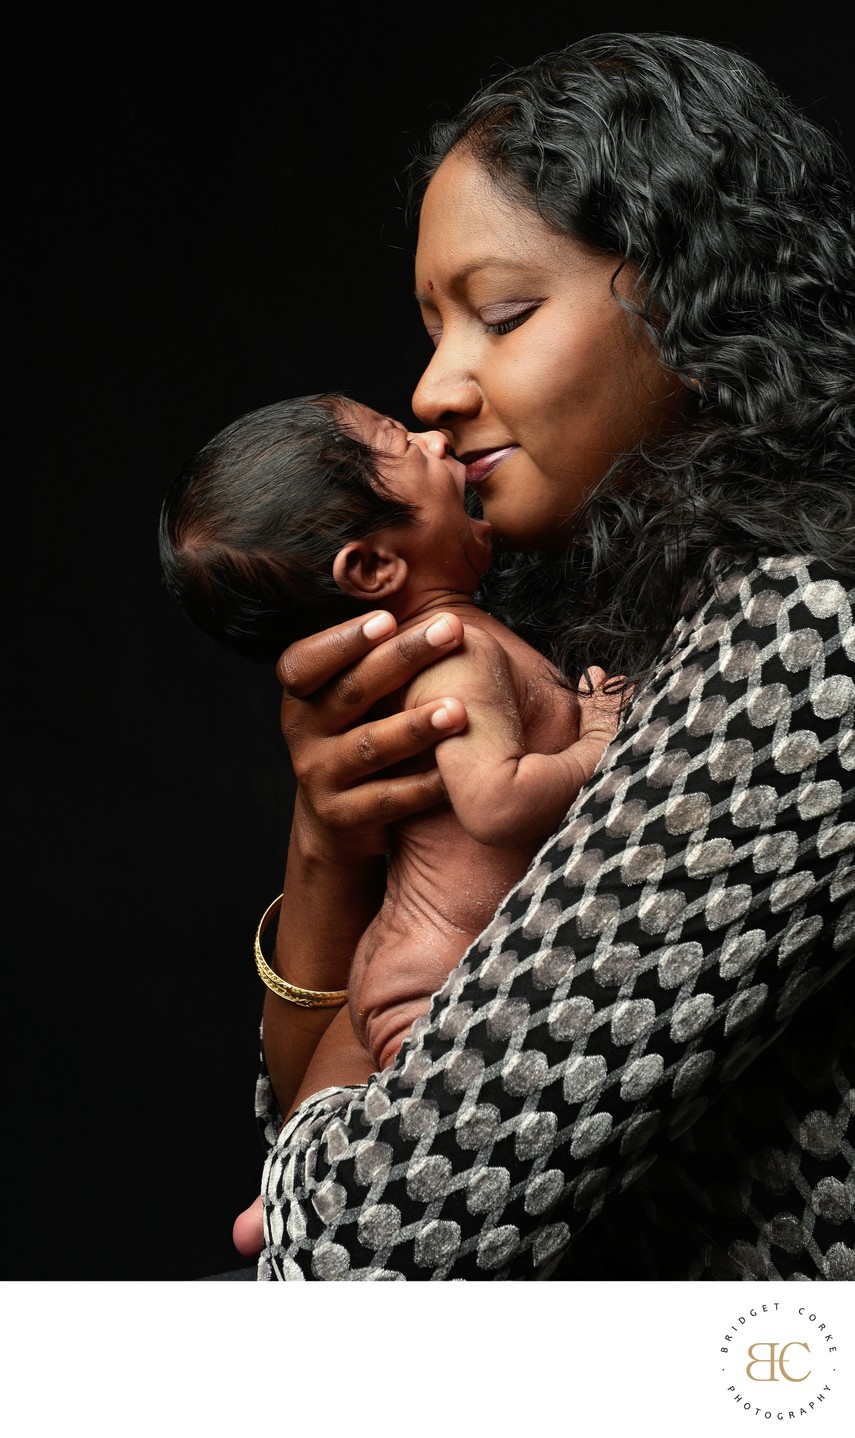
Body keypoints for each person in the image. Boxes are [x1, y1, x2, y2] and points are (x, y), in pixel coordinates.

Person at [232, 31, 854, 1279]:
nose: (435, 387)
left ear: (696, 299)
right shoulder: (593, 625)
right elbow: (338, 1124)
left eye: (502, 315)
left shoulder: (806, 637)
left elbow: (369, 1241)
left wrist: (311, 1184)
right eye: (433, 325)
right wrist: (328, 850)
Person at [159, 391, 620, 1089]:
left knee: (330, 1117)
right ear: (373, 568)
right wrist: (597, 742)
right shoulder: (454, 652)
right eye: (403, 445)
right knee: (401, 1130)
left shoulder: (441, 653)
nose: (435, 440)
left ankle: (283, 1194)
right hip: (444, 976)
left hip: (395, 961)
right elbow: (494, 804)